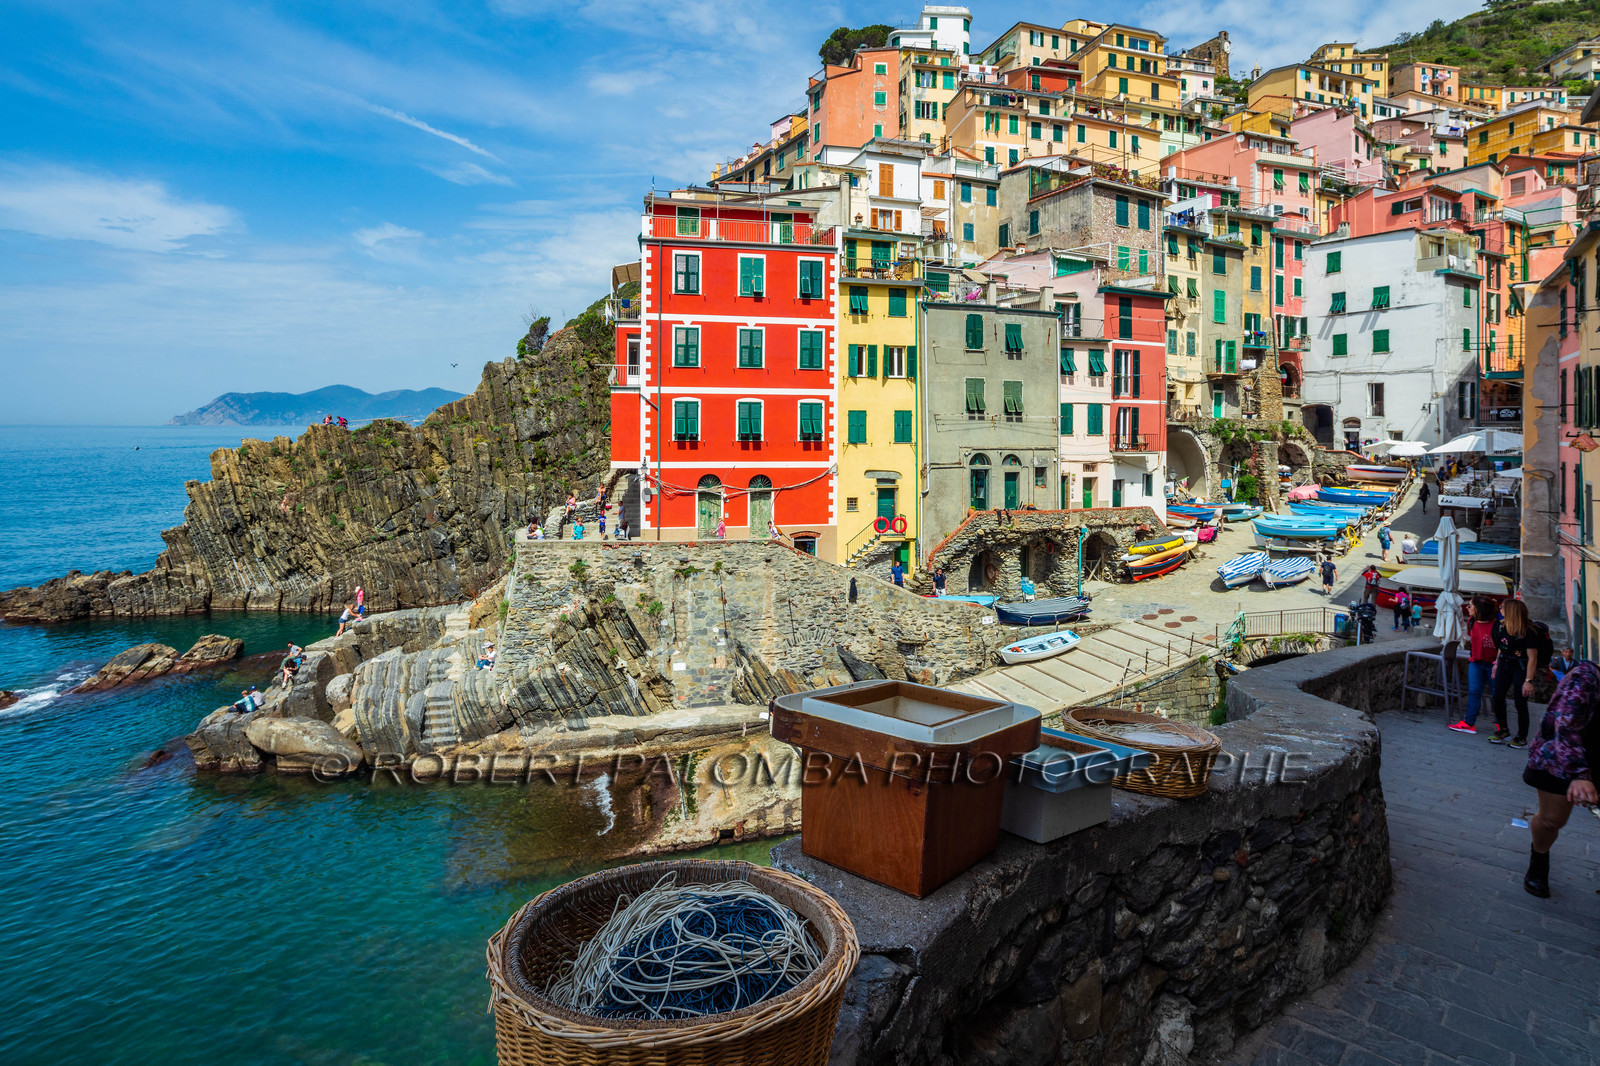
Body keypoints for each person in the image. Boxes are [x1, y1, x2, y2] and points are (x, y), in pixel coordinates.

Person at [1521, 660, 1599, 897]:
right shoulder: (1585, 678)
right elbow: (1564, 726)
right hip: (1562, 756)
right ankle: (1539, 860)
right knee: (1551, 820)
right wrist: (1579, 775)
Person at [1489, 600, 1551, 747]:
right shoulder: (1500, 626)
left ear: (1511, 611)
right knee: (1497, 696)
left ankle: (1521, 736)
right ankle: (1503, 730)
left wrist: (1528, 681)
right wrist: (1496, 664)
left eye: (1502, 607)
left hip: (1521, 667)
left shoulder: (1528, 632)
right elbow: (1502, 646)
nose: (1500, 609)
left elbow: (1532, 658)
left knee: (1520, 702)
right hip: (1504, 663)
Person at [1451, 596, 1500, 733]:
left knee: (1496, 694)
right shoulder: (1471, 622)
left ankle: (1501, 725)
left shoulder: (1496, 625)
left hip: (1493, 665)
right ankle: (1469, 723)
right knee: (1474, 692)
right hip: (1476, 662)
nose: (1467, 608)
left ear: (1479, 608)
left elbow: (1502, 646)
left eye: (1470, 606)